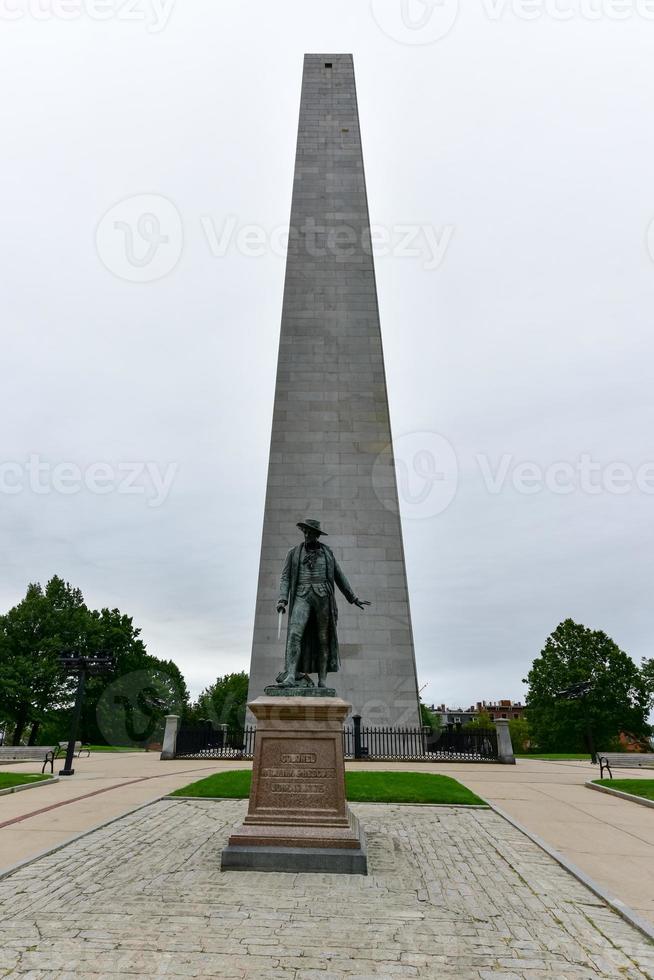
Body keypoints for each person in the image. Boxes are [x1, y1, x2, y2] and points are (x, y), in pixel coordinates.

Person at [276, 519, 370, 688]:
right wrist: (282, 599)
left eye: (310, 532)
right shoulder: (293, 553)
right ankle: (290, 674)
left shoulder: (327, 553)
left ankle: (322, 680)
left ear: (317, 535)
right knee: (294, 634)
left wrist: (353, 598)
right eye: (304, 531)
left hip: (323, 597)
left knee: (323, 639)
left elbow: (339, 576)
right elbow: (285, 577)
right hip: (301, 595)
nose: (306, 535)